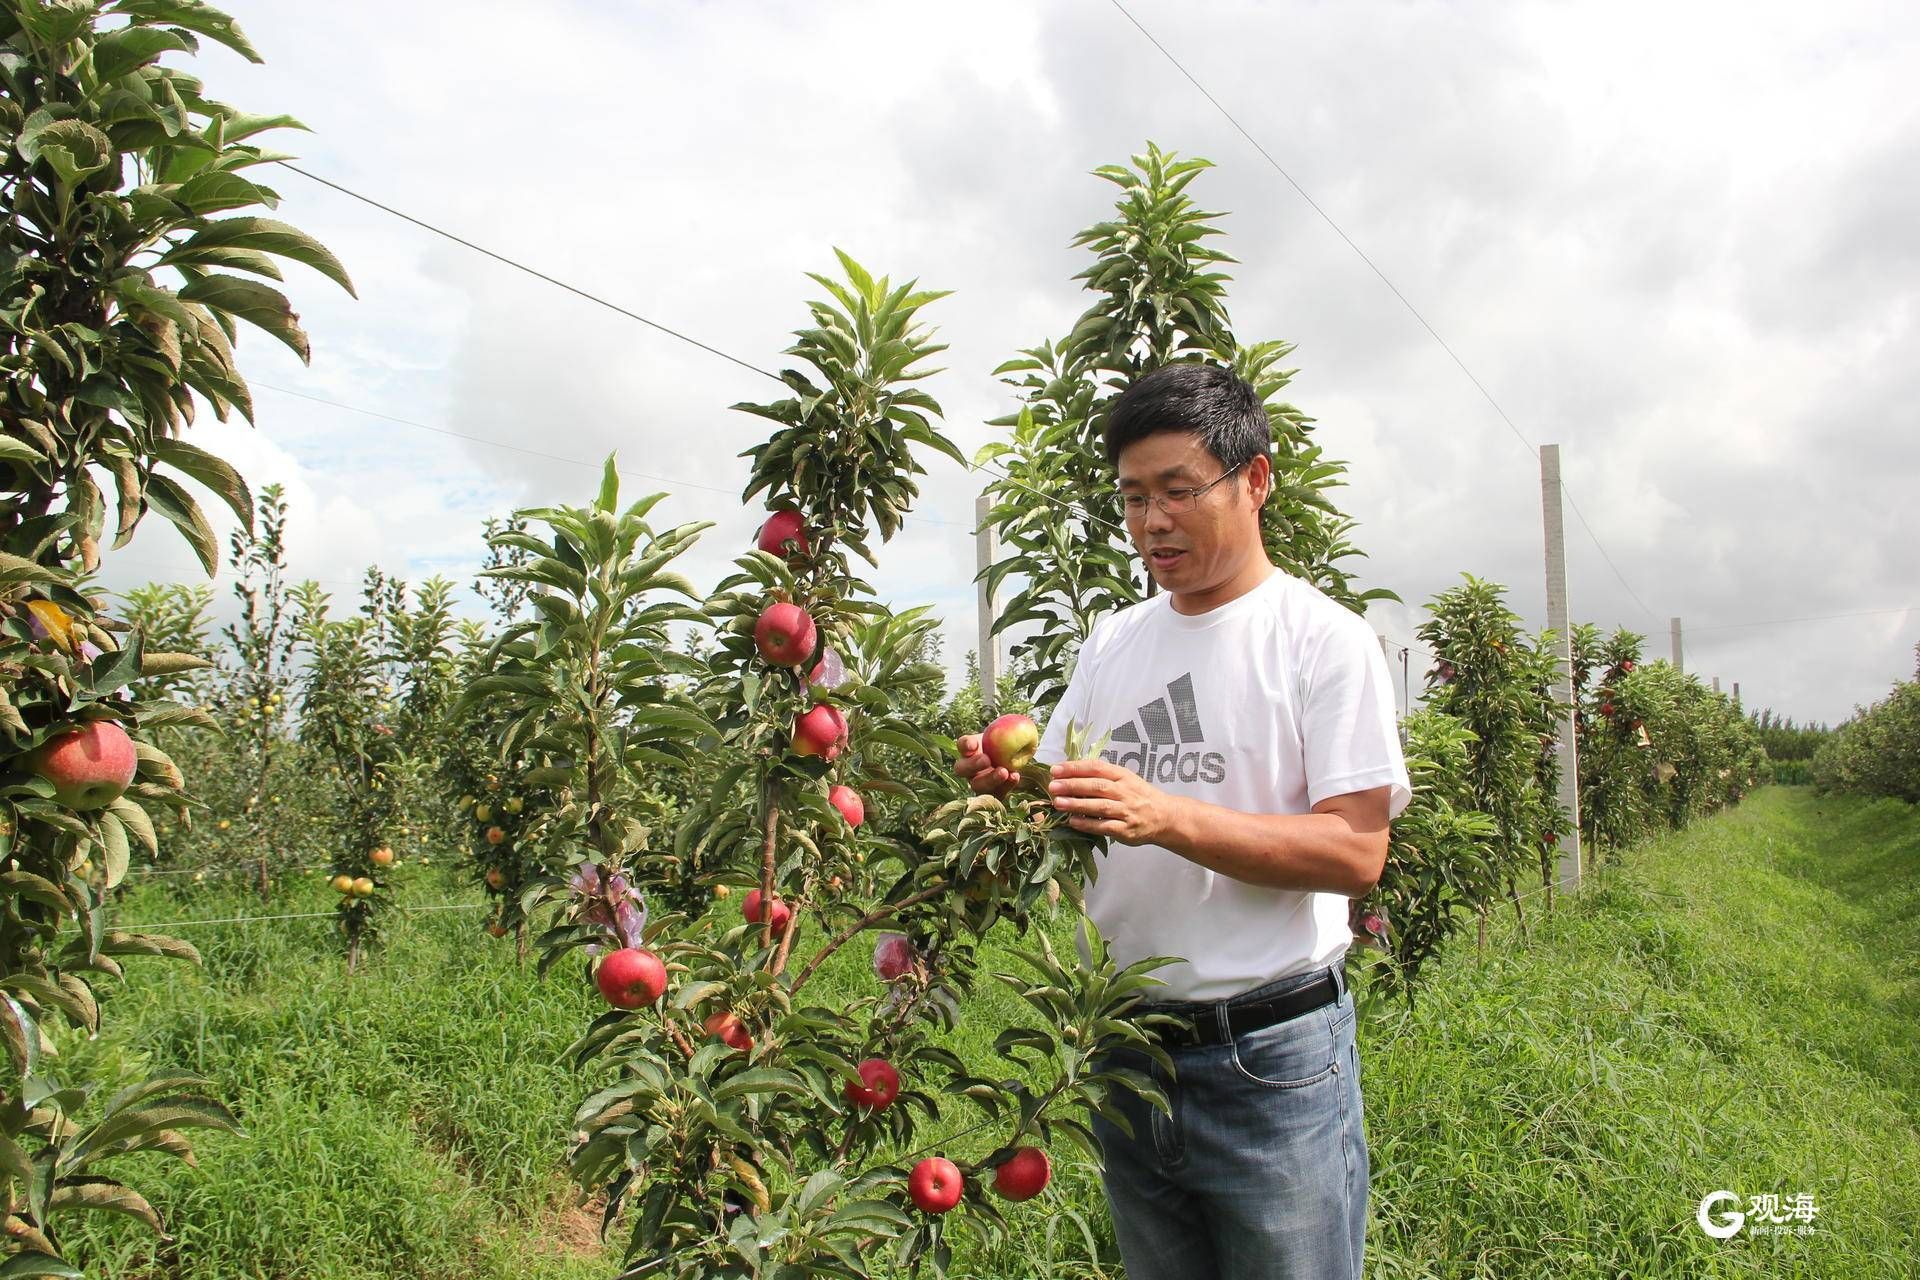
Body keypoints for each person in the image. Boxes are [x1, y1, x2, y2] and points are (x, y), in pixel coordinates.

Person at [955, 362, 1410, 1280]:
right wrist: (1012, 786)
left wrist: (1167, 816)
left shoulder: (1324, 641)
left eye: (1177, 491)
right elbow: (1075, 790)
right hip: (1126, 1045)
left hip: (1268, 1060)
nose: (1152, 521)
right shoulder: (1115, 639)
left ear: (1255, 481)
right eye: (1132, 498)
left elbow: (1356, 852)